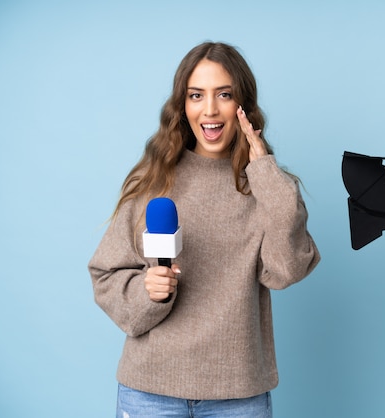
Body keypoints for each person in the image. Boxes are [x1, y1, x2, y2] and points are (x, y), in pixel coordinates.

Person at [88, 41, 321, 418]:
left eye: (224, 95)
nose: (209, 109)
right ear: (183, 106)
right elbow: (106, 275)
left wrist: (264, 170)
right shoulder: (155, 181)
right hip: (150, 391)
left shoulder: (267, 188)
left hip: (238, 396)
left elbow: (287, 269)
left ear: (242, 105)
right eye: (196, 95)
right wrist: (148, 292)